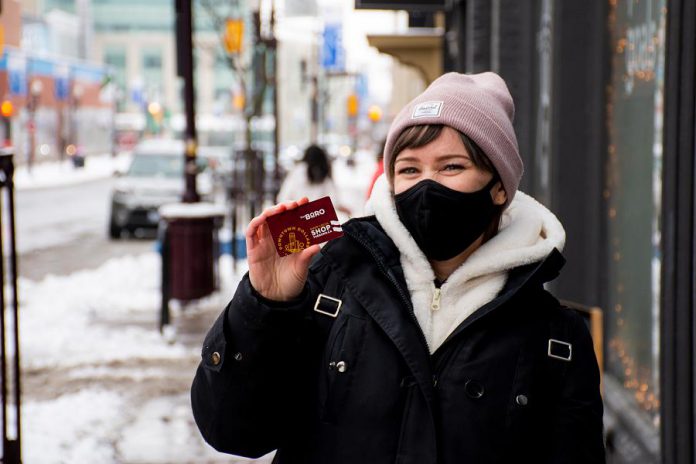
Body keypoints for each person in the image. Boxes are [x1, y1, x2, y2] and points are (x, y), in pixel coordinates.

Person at [191, 72, 605, 463]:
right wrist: (264, 306)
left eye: (451, 166)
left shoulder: (555, 337)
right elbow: (233, 431)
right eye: (409, 169)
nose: (427, 186)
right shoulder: (328, 289)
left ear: (498, 187)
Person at [277, 144, 351, 217]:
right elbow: (335, 201)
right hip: (318, 220)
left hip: (297, 218)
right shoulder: (324, 175)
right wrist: (347, 211)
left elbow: (283, 197)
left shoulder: (297, 171)